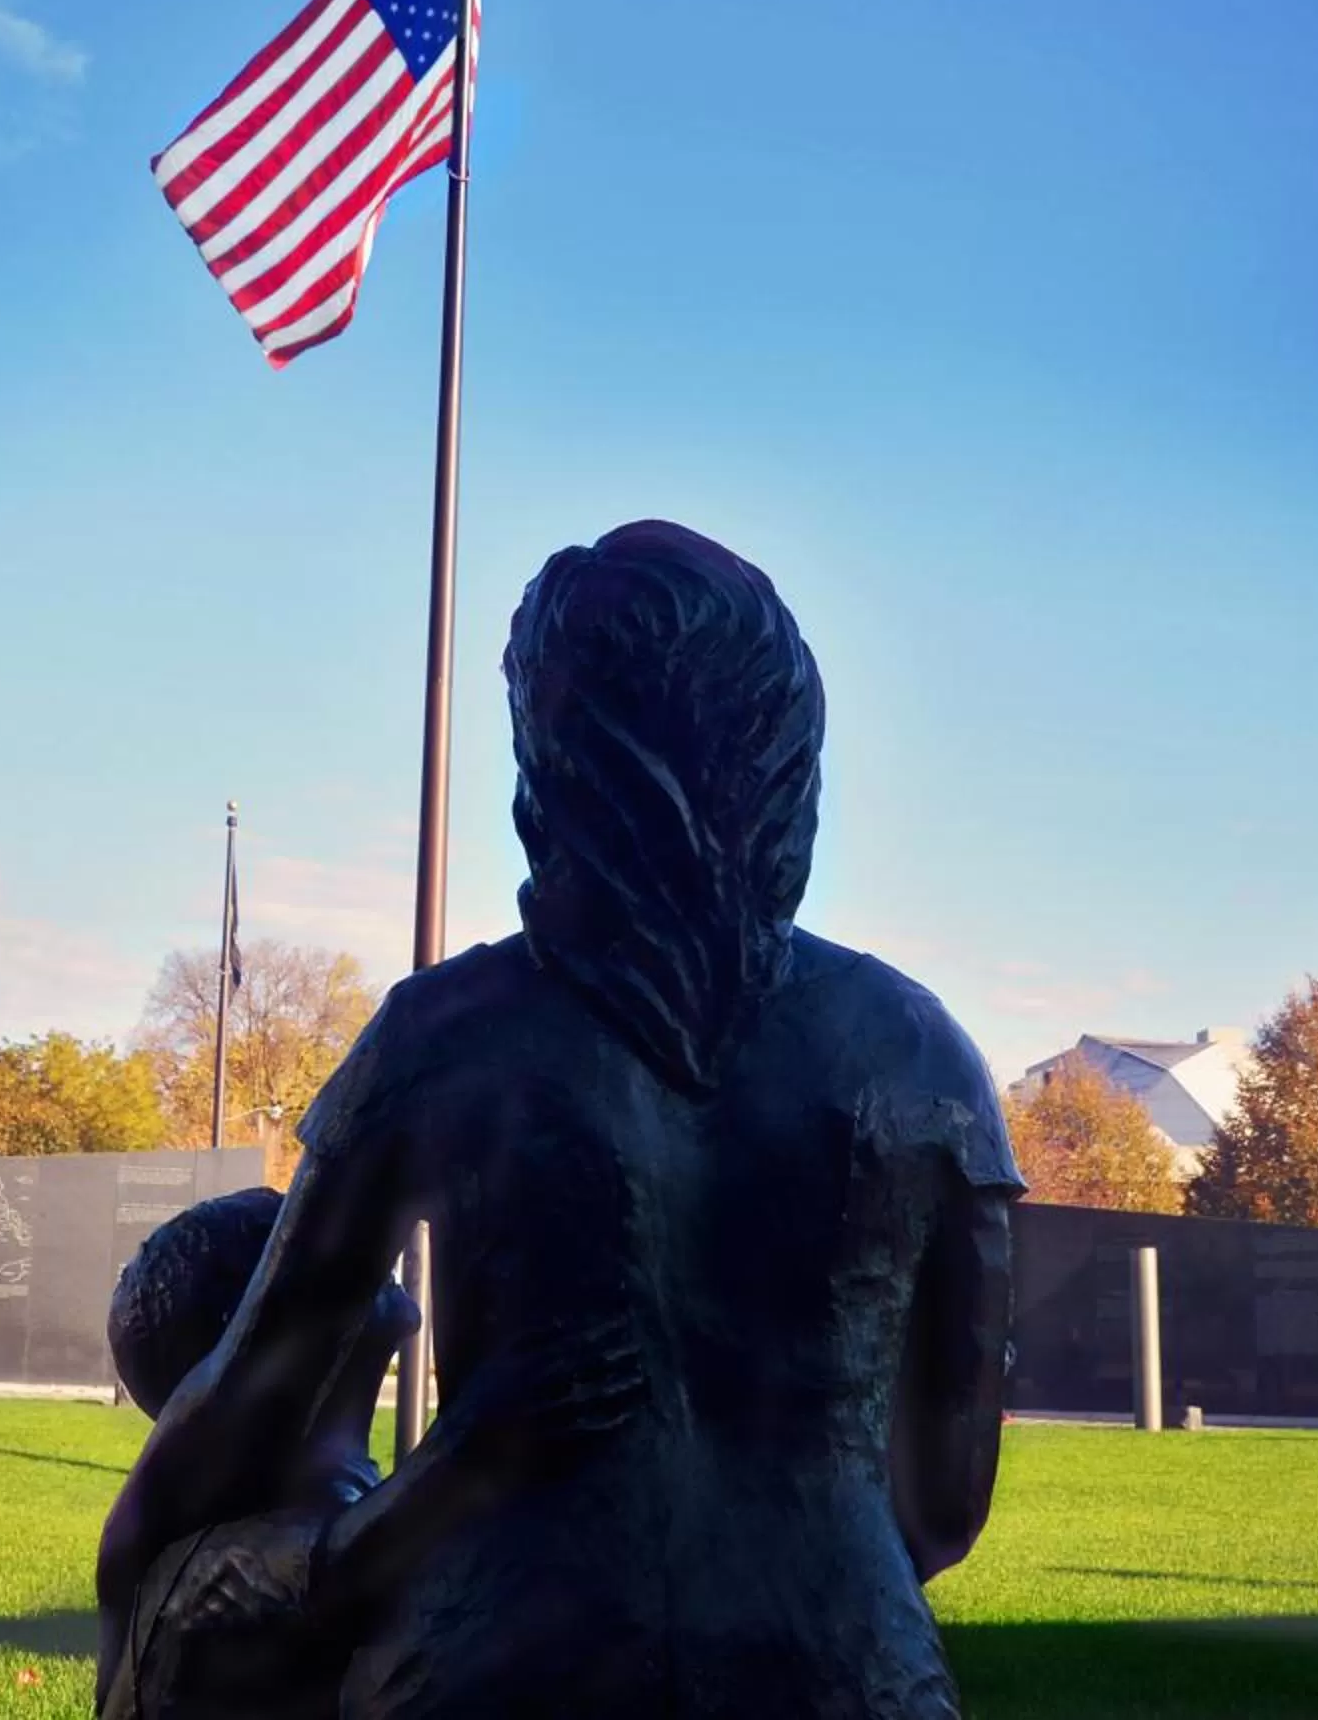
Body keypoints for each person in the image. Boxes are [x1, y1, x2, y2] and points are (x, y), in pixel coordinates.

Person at [112, 521, 1022, 1718]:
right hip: (848, 1667)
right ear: (786, 746)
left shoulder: (442, 1033)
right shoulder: (922, 1051)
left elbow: (253, 1388)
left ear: (552, 754)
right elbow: (947, 1499)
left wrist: (137, 1580)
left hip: (494, 1662)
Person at [93, 1188, 635, 1720]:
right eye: (303, 1248)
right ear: (253, 1335)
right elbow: (348, 1561)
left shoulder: (316, 1499)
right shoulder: (205, 1571)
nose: (364, 1245)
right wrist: (496, 1433)